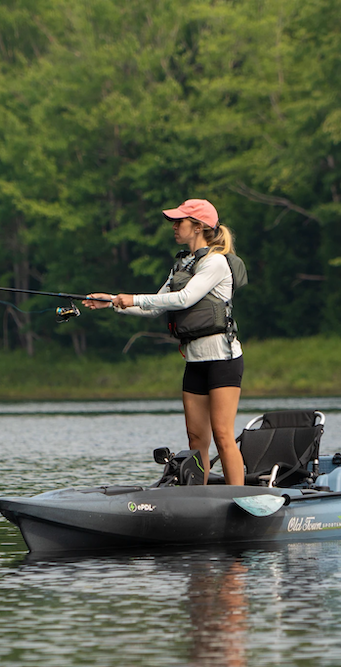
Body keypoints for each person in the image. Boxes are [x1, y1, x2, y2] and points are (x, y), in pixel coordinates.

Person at [84, 198, 245, 485]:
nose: (174, 226)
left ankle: (238, 496)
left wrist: (133, 298)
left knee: (222, 435)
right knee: (196, 439)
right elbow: (154, 307)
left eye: (179, 221)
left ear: (198, 227)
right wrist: (111, 301)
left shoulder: (216, 262)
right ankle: (200, 498)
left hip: (223, 360)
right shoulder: (182, 265)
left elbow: (184, 299)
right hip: (195, 361)